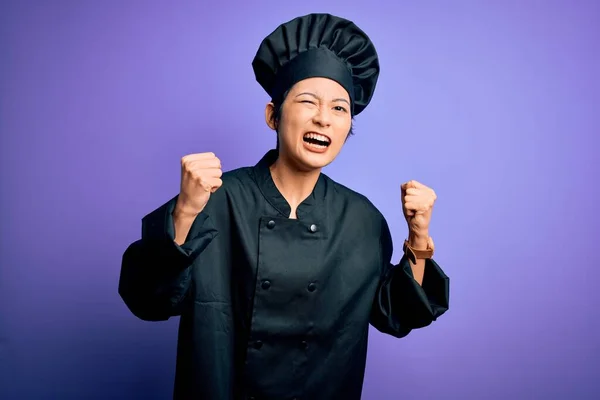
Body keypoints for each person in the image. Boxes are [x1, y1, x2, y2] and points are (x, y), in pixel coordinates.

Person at [119, 13, 450, 400]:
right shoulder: (216, 199)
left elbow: (398, 314)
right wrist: (186, 212)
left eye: (340, 109)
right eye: (308, 101)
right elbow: (148, 300)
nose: (324, 118)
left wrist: (419, 236)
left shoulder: (363, 221)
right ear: (272, 115)